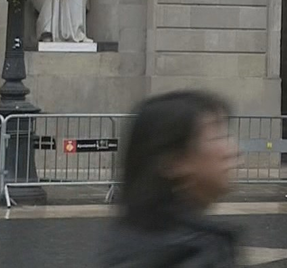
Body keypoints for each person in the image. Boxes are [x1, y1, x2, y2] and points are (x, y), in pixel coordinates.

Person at [103, 90, 240, 268]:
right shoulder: (190, 253)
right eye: (217, 137)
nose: (233, 151)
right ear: (173, 162)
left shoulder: (133, 235)